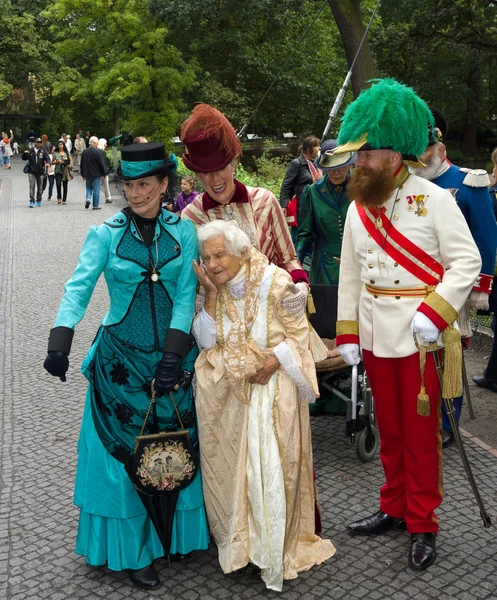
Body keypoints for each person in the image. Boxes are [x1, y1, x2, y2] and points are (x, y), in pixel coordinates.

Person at [43, 142, 209, 590]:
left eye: (144, 185)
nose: (135, 194)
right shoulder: (105, 234)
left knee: (175, 442)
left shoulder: (184, 232)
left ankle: (175, 536)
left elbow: (185, 296)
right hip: (118, 362)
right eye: (129, 185)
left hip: (173, 359)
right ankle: (135, 551)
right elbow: (77, 288)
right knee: (122, 453)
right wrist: (61, 340)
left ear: (163, 185)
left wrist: (174, 354)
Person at [333, 79, 481, 571]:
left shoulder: (435, 200)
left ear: (394, 155)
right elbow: (351, 273)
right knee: (389, 429)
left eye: (364, 153)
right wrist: (348, 333)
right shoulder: (358, 206)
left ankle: (423, 522)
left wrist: (434, 313)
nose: (356, 162)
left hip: (421, 339)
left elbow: (466, 262)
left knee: (420, 437)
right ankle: (394, 506)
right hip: (375, 335)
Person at [192, 220, 335, 591]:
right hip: (234, 396)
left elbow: (300, 336)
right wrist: (208, 295)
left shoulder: (278, 282)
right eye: (206, 257)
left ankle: (273, 550)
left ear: (241, 253)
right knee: (237, 474)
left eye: (219, 254)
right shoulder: (215, 287)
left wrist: (274, 360)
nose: (213, 264)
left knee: (269, 470)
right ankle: (244, 547)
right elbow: (207, 341)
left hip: (274, 387)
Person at [410, 109, 497, 447]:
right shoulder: (409, 184)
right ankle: (419, 412)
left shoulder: (468, 182)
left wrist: (481, 288)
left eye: (425, 152)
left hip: (451, 286)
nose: (419, 159)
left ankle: (447, 423)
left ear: (441, 150)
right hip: (413, 285)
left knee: (449, 355)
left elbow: (486, 239)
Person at [181, 104, 309, 286]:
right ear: (197, 175)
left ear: (234, 164)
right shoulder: (190, 216)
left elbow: (288, 259)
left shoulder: (265, 200)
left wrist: (300, 285)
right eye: (205, 172)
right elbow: (192, 278)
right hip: (219, 312)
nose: (214, 178)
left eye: (221, 168)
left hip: (270, 307)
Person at [295, 139, 357, 284]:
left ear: (349, 165)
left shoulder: (361, 189)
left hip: (358, 265)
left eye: (341, 167)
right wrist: (296, 268)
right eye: (331, 167)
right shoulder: (312, 192)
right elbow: (304, 235)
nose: (336, 172)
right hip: (324, 270)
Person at [279, 135, 322, 239]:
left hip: (316, 206)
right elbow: (286, 185)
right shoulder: (297, 163)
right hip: (301, 209)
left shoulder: (318, 164)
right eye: (316, 146)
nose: (319, 148)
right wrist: (284, 205)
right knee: (299, 238)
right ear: (308, 149)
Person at [80, 136, 108, 210]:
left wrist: (83, 174)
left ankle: (88, 198)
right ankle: (95, 205)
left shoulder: (84, 152)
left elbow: (82, 164)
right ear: (94, 143)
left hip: (87, 173)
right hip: (96, 173)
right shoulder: (98, 152)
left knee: (88, 187)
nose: (98, 144)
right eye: (97, 142)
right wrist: (104, 173)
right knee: (96, 189)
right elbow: (101, 164)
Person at [22, 137, 50, 207]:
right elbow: (24, 158)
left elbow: (47, 159)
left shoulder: (43, 152)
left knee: (40, 187)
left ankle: (39, 200)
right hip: (31, 172)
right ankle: (32, 201)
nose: (39, 144)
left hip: (40, 172)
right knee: (32, 186)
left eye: (40, 142)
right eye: (38, 142)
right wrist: (25, 154)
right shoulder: (30, 151)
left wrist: (48, 163)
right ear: (35, 143)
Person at [53, 139, 73, 205]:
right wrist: (57, 162)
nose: (60, 146)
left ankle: (64, 199)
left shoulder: (67, 153)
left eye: (61, 144)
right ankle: (59, 197)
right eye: (59, 145)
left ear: (63, 145)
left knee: (65, 185)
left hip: (65, 171)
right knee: (58, 184)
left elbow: (71, 160)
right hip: (57, 170)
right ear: (57, 146)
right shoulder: (55, 153)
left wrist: (67, 164)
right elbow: (52, 162)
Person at [97, 138, 113, 204]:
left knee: (97, 186)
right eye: (105, 143)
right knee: (106, 185)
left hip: (97, 171)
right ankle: (108, 197)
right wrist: (104, 173)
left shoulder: (97, 151)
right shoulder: (102, 152)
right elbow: (103, 163)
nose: (106, 145)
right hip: (103, 171)